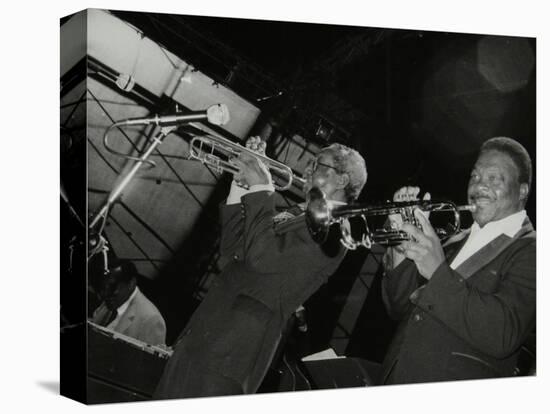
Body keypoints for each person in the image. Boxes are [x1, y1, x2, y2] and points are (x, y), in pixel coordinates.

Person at [154, 137, 368, 398]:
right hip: (203, 338)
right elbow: (232, 255)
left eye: (317, 164)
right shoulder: (295, 213)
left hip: (231, 353)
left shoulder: (333, 229)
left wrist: (262, 188)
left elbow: (262, 258)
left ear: (342, 180)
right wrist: (241, 188)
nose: (308, 169)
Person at [380, 136, 535, 384]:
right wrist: (401, 245)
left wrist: (438, 271)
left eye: (494, 178)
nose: (478, 186)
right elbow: (398, 308)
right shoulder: (455, 238)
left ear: (522, 191)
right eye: (474, 176)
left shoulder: (532, 250)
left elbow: (504, 333)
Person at [91, 259, 167, 346]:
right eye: (104, 287)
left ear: (131, 284)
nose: (105, 293)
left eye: (112, 286)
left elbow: (148, 359)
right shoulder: (111, 300)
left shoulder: (151, 320)